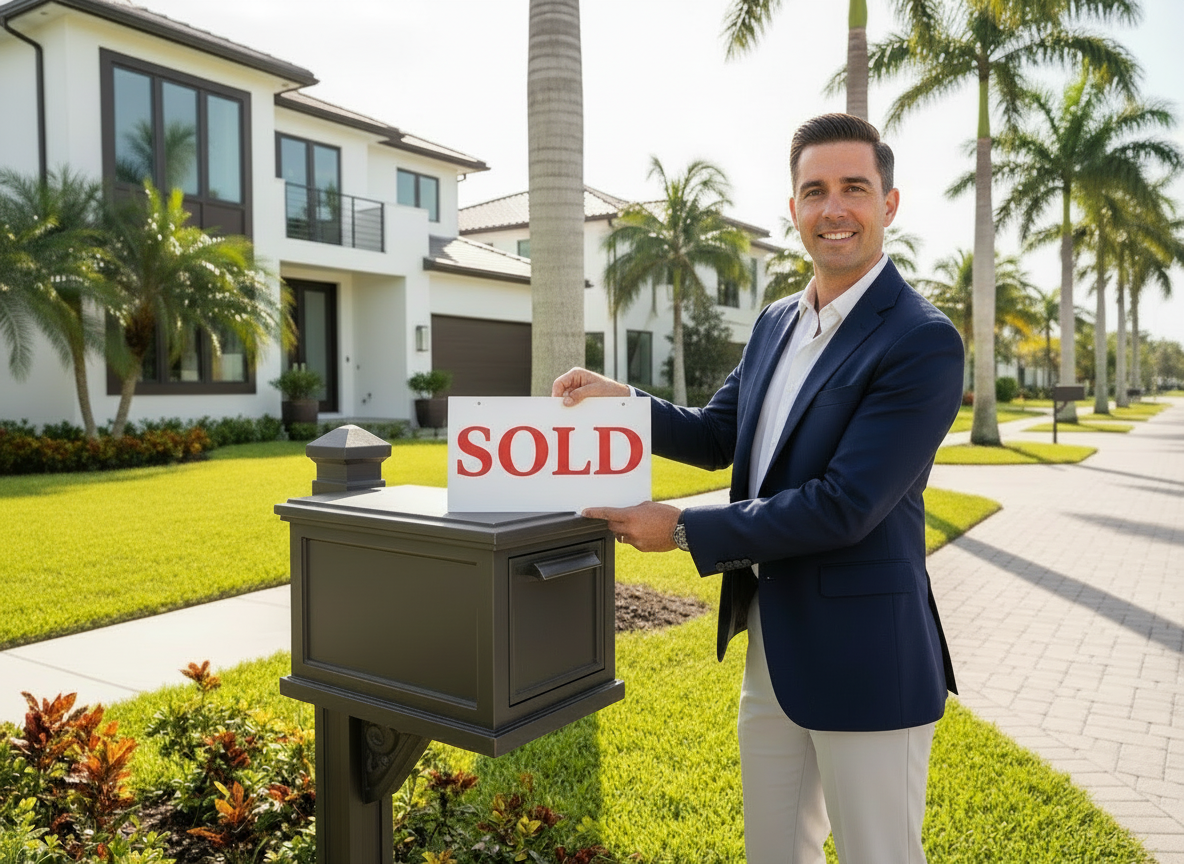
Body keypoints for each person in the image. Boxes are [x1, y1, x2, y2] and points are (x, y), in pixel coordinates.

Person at [552, 113, 964, 864]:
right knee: (773, 853)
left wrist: (680, 528)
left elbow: (846, 504)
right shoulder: (777, 321)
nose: (833, 209)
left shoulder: (921, 339)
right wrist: (626, 406)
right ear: (793, 207)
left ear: (890, 205)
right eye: (814, 190)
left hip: (869, 660)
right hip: (772, 646)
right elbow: (717, 436)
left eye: (853, 189)